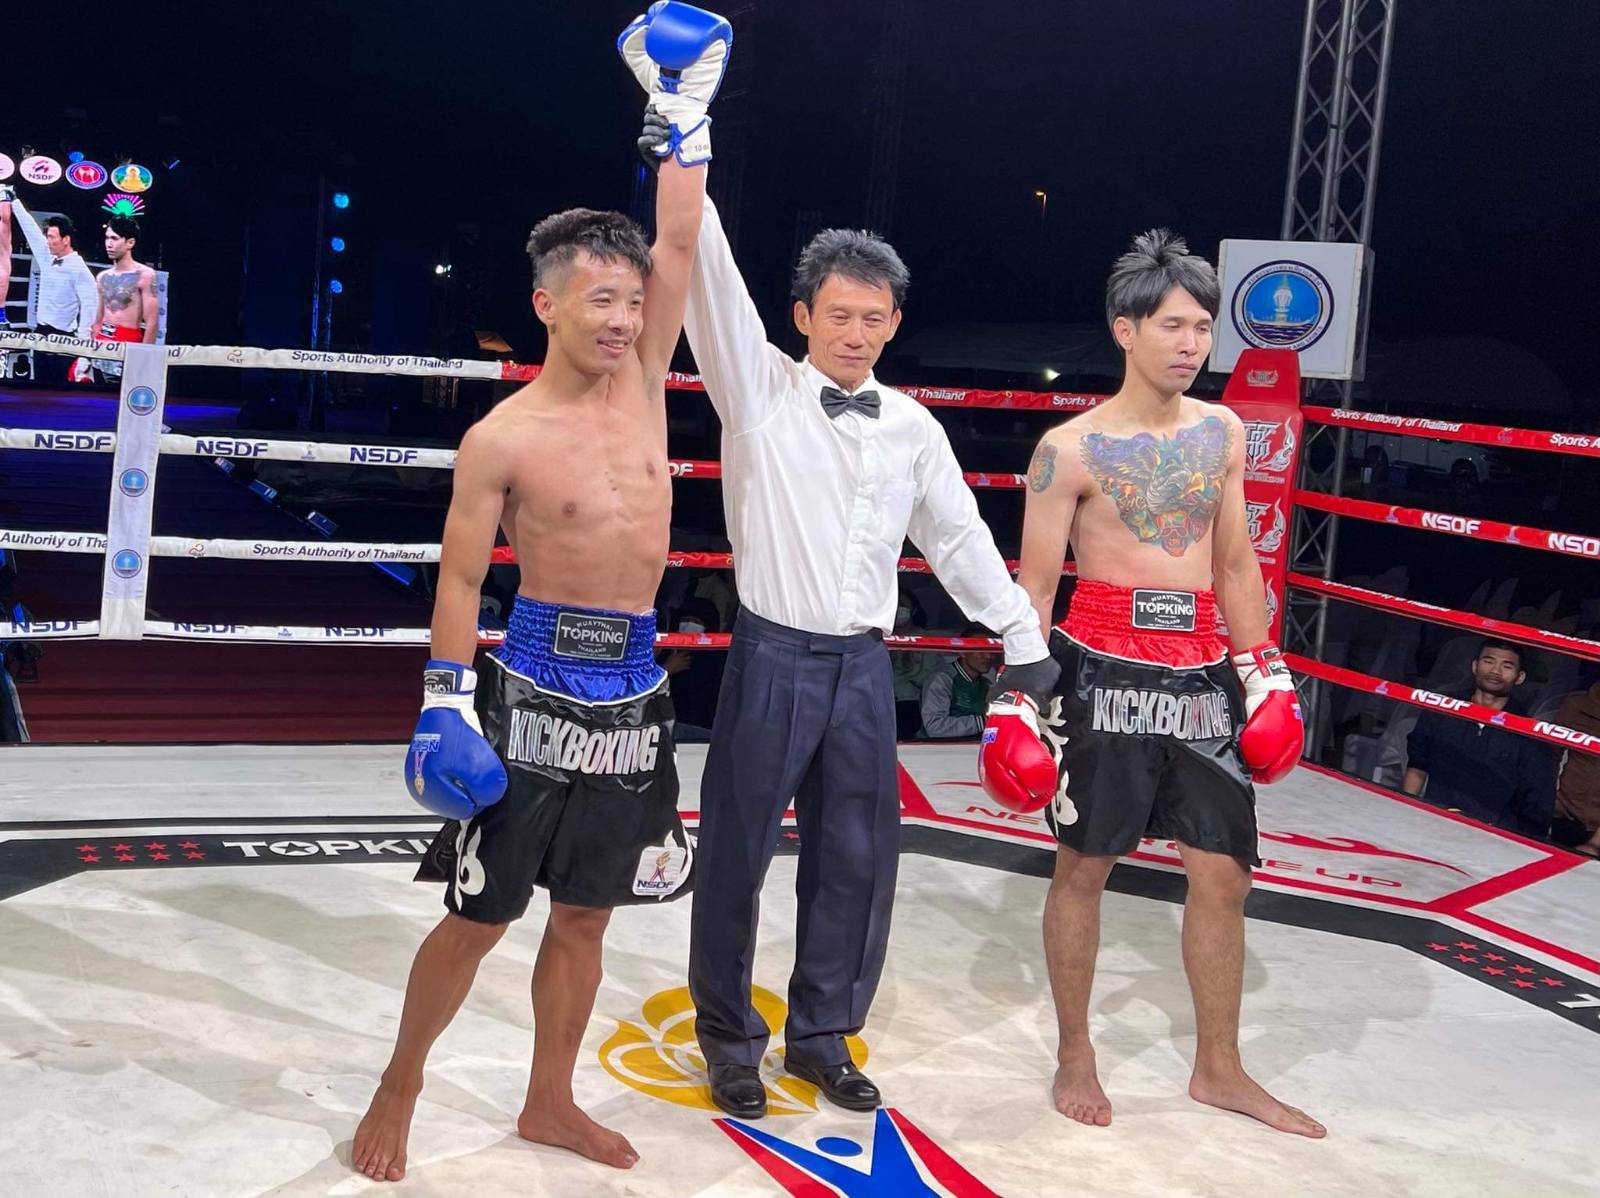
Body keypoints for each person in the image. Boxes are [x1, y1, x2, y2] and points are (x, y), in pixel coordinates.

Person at [350, 9, 727, 1178]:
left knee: (587, 914)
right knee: (479, 912)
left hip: (635, 684)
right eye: (598, 300)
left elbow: (679, 236)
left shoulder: (648, 378)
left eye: (631, 301)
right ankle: (399, 1084)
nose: (622, 318)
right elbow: (463, 573)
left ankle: (549, 1100)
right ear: (549, 305)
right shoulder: (500, 437)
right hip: (531, 677)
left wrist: (686, 112)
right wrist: (442, 701)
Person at [644, 60, 1059, 1119]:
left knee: (860, 858)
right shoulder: (759, 392)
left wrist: (1022, 637)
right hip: (772, 654)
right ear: (802, 314)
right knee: (735, 857)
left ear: (892, 322)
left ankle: (823, 1033)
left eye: (874, 317)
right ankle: (728, 1039)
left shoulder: (913, 426)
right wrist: (688, 139)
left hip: (864, 666)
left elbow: (958, 539)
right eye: (838, 313)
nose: (855, 331)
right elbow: (708, 276)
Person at [1005, 230, 1321, 1137]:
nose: (1191, 344)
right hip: (1101, 667)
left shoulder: (1224, 431)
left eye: (1203, 328)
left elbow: (1236, 562)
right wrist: (1016, 694)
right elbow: (1036, 585)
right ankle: (1075, 1053)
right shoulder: (1067, 449)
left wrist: (1264, 672)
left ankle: (1220, 1067)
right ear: (1126, 330)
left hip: (1204, 672)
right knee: (1084, 867)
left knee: (1225, 875)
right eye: (1173, 326)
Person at [1403, 639, 1556, 838]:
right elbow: (1417, 765)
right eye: (1488, 661)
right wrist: (1406, 813)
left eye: (1507, 666)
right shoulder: (1442, 709)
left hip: (1492, 838)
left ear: (1520, 677)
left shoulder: (1529, 734)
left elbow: (1535, 805)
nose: (1495, 671)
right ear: (1475, 666)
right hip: (1433, 822)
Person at [4, 198, 98, 384]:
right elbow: (31, 231)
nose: (48, 242)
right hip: (41, 333)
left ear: (66, 240)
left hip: (64, 338)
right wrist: (14, 202)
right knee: (39, 388)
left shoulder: (79, 269)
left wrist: (84, 351)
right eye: (47, 237)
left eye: (52, 237)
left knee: (60, 390)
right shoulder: (48, 258)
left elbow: (90, 309)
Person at [919, 627, 998, 740]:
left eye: (991, 650)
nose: (988, 656)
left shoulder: (987, 684)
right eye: (981, 650)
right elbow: (934, 727)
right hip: (936, 748)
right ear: (962, 652)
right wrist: (981, 722)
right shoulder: (942, 680)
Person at [1550, 680, 1600, 857]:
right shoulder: (1577, 705)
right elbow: (1548, 757)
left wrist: (1595, 843)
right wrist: (1551, 804)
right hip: (1565, 818)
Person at [92, 217, 159, 344]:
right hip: (101, 342)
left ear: (130, 243)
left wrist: (145, 353)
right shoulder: (102, 277)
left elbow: (152, 323)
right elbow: (98, 320)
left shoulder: (145, 275)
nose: (109, 244)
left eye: (114, 238)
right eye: (107, 238)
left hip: (129, 343)